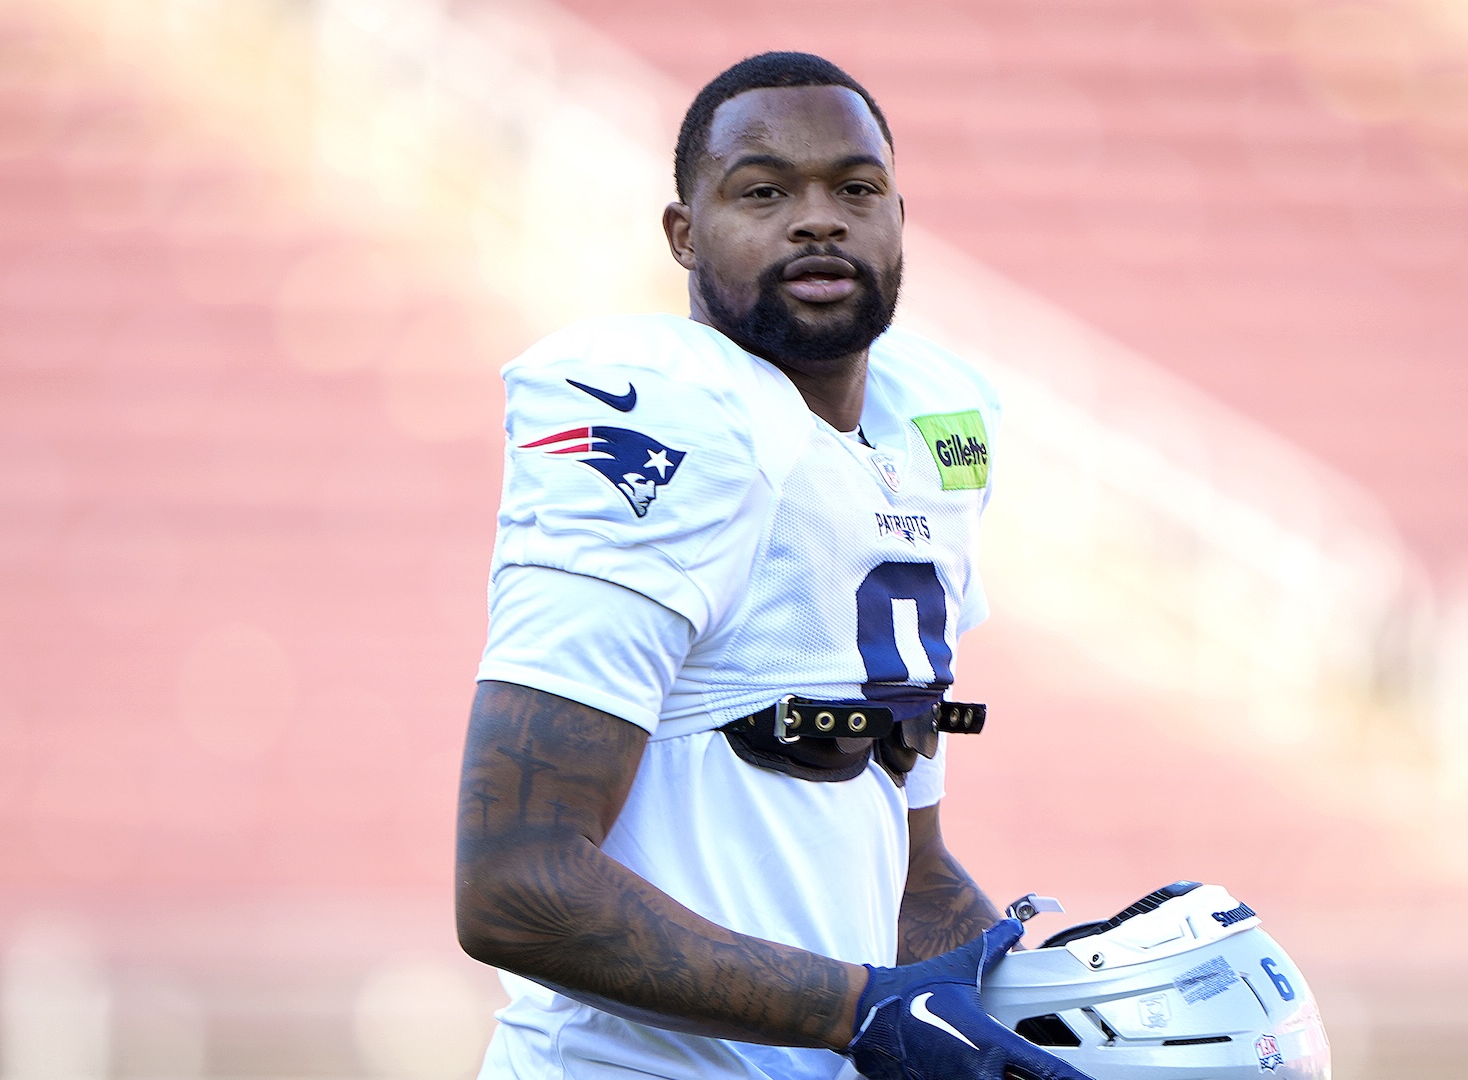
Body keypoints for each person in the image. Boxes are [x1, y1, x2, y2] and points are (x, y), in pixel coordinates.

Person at [455, 52, 1089, 1080]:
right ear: (684, 233)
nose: (818, 221)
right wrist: (864, 1013)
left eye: (856, 189)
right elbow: (517, 885)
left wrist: (1060, 1016)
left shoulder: (926, 427)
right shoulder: (670, 414)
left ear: (899, 218)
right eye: (764, 192)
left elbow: (911, 877)